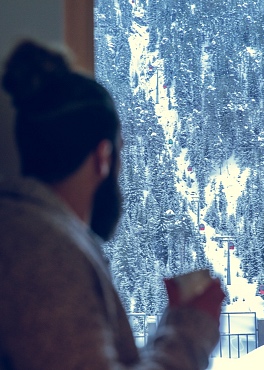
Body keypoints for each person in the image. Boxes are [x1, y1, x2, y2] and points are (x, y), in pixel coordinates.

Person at [0, 40, 225, 370]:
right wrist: (191, 329)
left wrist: (177, 321)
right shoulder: (44, 252)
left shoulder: (30, 230)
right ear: (103, 157)